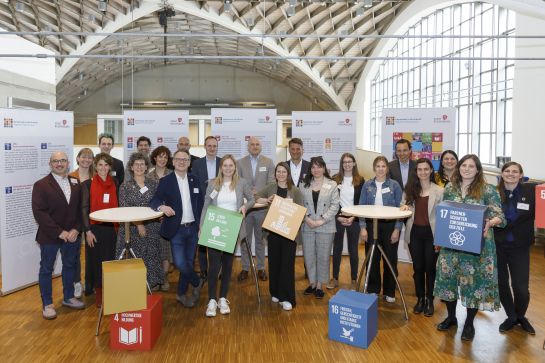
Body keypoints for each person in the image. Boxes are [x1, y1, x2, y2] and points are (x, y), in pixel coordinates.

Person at [434, 154, 505, 341]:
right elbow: (445, 214)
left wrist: (490, 222)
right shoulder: (450, 188)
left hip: (476, 248)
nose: (466, 169)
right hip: (451, 246)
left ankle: (469, 323)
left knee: (473, 285)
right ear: (459, 168)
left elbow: (500, 216)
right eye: (463, 165)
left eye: (471, 166)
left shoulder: (487, 190)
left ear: (478, 170)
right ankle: (451, 318)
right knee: (448, 281)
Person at [32, 152, 85, 319]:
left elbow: (80, 210)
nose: (59, 164)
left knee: (70, 266)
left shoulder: (75, 182)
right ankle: (47, 303)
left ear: (68, 163)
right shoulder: (41, 185)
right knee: (46, 269)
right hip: (50, 236)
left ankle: (68, 297)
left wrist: (77, 229)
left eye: (62, 160)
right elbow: (39, 213)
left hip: (72, 236)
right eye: (55, 161)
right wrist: (59, 232)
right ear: (50, 164)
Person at [200, 155, 254, 317]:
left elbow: (252, 199)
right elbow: (206, 206)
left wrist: (245, 206)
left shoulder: (242, 183)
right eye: (225, 165)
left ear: (235, 167)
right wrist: (202, 227)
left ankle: (223, 298)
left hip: (232, 228)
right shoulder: (212, 184)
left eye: (231, 165)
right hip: (214, 228)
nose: (228, 168)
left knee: (228, 265)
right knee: (214, 265)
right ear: (221, 167)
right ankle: (211, 300)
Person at [150, 150, 204, 308]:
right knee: (180, 263)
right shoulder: (166, 181)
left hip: (193, 228)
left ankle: (181, 294)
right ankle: (197, 281)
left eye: (185, 159)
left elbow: (200, 204)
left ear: (189, 162)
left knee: (188, 262)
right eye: (178, 159)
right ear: (173, 162)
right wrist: (162, 206)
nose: (182, 162)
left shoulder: (195, 179)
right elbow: (155, 199)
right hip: (176, 229)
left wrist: (201, 225)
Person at [494, 162, 536, 335]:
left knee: (520, 287)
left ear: (521, 175)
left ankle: (521, 316)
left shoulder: (531, 191)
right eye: (507, 171)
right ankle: (511, 316)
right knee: (502, 284)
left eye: (515, 171)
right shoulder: (494, 193)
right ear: (502, 174)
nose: (510, 174)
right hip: (498, 245)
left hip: (520, 246)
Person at [256, 162, 304, 311]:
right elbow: (256, 197)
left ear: (288, 174)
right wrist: (266, 200)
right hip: (274, 232)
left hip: (289, 234)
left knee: (287, 266)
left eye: (284, 172)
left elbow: (301, 211)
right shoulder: (270, 187)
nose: (281, 174)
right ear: (275, 173)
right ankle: (275, 292)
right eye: (278, 171)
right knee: (275, 263)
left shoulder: (295, 191)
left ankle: (287, 297)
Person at [400, 158, 444, 316]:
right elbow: (402, 204)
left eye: (426, 169)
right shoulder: (410, 189)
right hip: (414, 233)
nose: (423, 172)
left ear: (431, 170)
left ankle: (430, 300)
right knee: (418, 268)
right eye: (420, 169)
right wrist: (403, 206)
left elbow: (444, 217)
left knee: (430, 268)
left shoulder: (439, 191)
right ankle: (420, 298)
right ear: (416, 172)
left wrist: (441, 239)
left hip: (432, 235)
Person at [115, 152, 163, 290]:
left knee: (151, 254)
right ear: (131, 167)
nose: (140, 167)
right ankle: (134, 286)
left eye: (142, 164)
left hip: (152, 226)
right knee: (135, 257)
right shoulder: (125, 186)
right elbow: (124, 208)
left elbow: (158, 202)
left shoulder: (154, 184)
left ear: (147, 167)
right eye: (136, 164)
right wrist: (139, 224)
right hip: (132, 229)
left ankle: (151, 283)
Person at [359, 156, 403, 303]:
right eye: (378, 166)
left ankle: (390, 291)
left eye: (383, 166)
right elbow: (361, 208)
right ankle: (372, 289)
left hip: (390, 226)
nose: (380, 169)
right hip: (372, 226)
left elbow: (400, 209)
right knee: (373, 258)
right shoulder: (367, 185)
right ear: (374, 168)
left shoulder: (395, 185)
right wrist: (363, 228)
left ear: (387, 168)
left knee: (390, 259)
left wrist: (397, 229)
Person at [81, 153, 119, 307]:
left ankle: (110, 289)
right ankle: (99, 292)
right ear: (95, 167)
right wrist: (87, 231)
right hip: (95, 229)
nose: (103, 168)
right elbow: (84, 209)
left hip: (112, 228)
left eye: (106, 165)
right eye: (100, 165)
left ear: (110, 167)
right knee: (96, 261)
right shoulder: (87, 185)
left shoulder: (115, 182)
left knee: (110, 260)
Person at [236, 137, 275, 282]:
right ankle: (245, 268)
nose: (255, 146)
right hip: (246, 209)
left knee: (260, 240)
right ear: (248, 146)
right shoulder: (240, 163)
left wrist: (256, 194)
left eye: (257, 144)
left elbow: (271, 183)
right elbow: (238, 183)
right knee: (245, 239)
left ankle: (260, 268)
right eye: (252, 144)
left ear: (261, 146)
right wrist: (249, 193)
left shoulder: (268, 162)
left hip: (262, 208)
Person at [300, 156, 339, 299]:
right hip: (308, 224)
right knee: (309, 256)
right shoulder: (304, 184)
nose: (316, 170)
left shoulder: (332, 184)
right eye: (313, 167)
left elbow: (335, 206)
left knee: (323, 257)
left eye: (319, 166)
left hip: (326, 226)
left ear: (324, 168)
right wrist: (307, 218)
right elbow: (300, 204)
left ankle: (319, 285)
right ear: (310, 169)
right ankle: (312, 283)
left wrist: (321, 220)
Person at [327, 153, 364, 291]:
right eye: (344, 162)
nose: (347, 164)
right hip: (339, 217)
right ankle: (335, 278)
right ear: (341, 164)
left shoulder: (360, 180)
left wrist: (354, 216)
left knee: (353, 249)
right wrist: (338, 216)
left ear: (354, 163)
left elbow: (361, 201)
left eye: (350, 161)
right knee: (336, 248)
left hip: (354, 218)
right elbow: (331, 201)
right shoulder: (335, 179)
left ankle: (354, 280)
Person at [192, 136, 221, 280]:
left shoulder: (223, 163)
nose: (211, 148)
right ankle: (203, 270)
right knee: (202, 240)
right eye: (209, 146)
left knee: (218, 240)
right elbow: (194, 184)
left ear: (217, 147)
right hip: (202, 206)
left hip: (219, 207)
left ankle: (217, 270)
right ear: (205, 146)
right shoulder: (197, 163)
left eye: (214, 146)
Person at [69, 148, 94, 298]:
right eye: (83, 157)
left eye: (89, 157)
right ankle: (77, 282)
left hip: (92, 219)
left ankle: (91, 282)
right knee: (75, 253)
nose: (86, 160)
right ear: (78, 159)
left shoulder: (96, 176)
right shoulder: (70, 176)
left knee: (92, 252)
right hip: (75, 220)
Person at [148, 145, 173, 291]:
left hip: (168, 217)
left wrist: (166, 213)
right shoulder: (148, 176)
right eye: (160, 156)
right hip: (152, 219)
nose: (162, 159)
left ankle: (164, 278)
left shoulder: (172, 174)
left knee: (165, 250)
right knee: (154, 250)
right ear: (155, 158)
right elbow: (149, 198)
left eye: (165, 157)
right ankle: (155, 279)